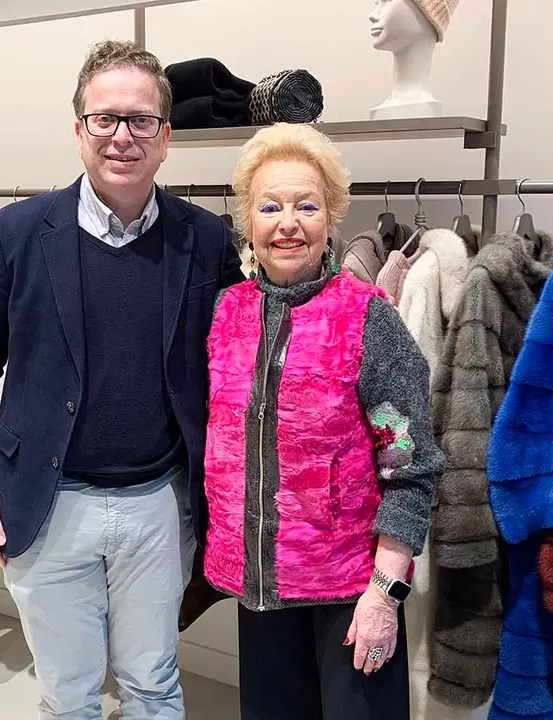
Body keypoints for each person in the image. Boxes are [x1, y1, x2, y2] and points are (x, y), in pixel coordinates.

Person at [0, 40, 243, 720]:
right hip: (46, 502)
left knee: (153, 683)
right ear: (78, 129)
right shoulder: (14, 234)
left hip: (159, 505)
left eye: (139, 120)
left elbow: (232, 370)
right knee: (68, 693)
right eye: (104, 118)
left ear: (166, 137)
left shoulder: (205, 239)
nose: (122, 136)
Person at [202, 123, 443, 719]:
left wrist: (385, 594)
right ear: (249, 223)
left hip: (350, 591)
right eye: (271, 206)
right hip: (260, 588)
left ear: (331, 219)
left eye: (307, 205)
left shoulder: (368, 320)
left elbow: (409, 464)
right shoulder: (227, 313)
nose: (288, 222)